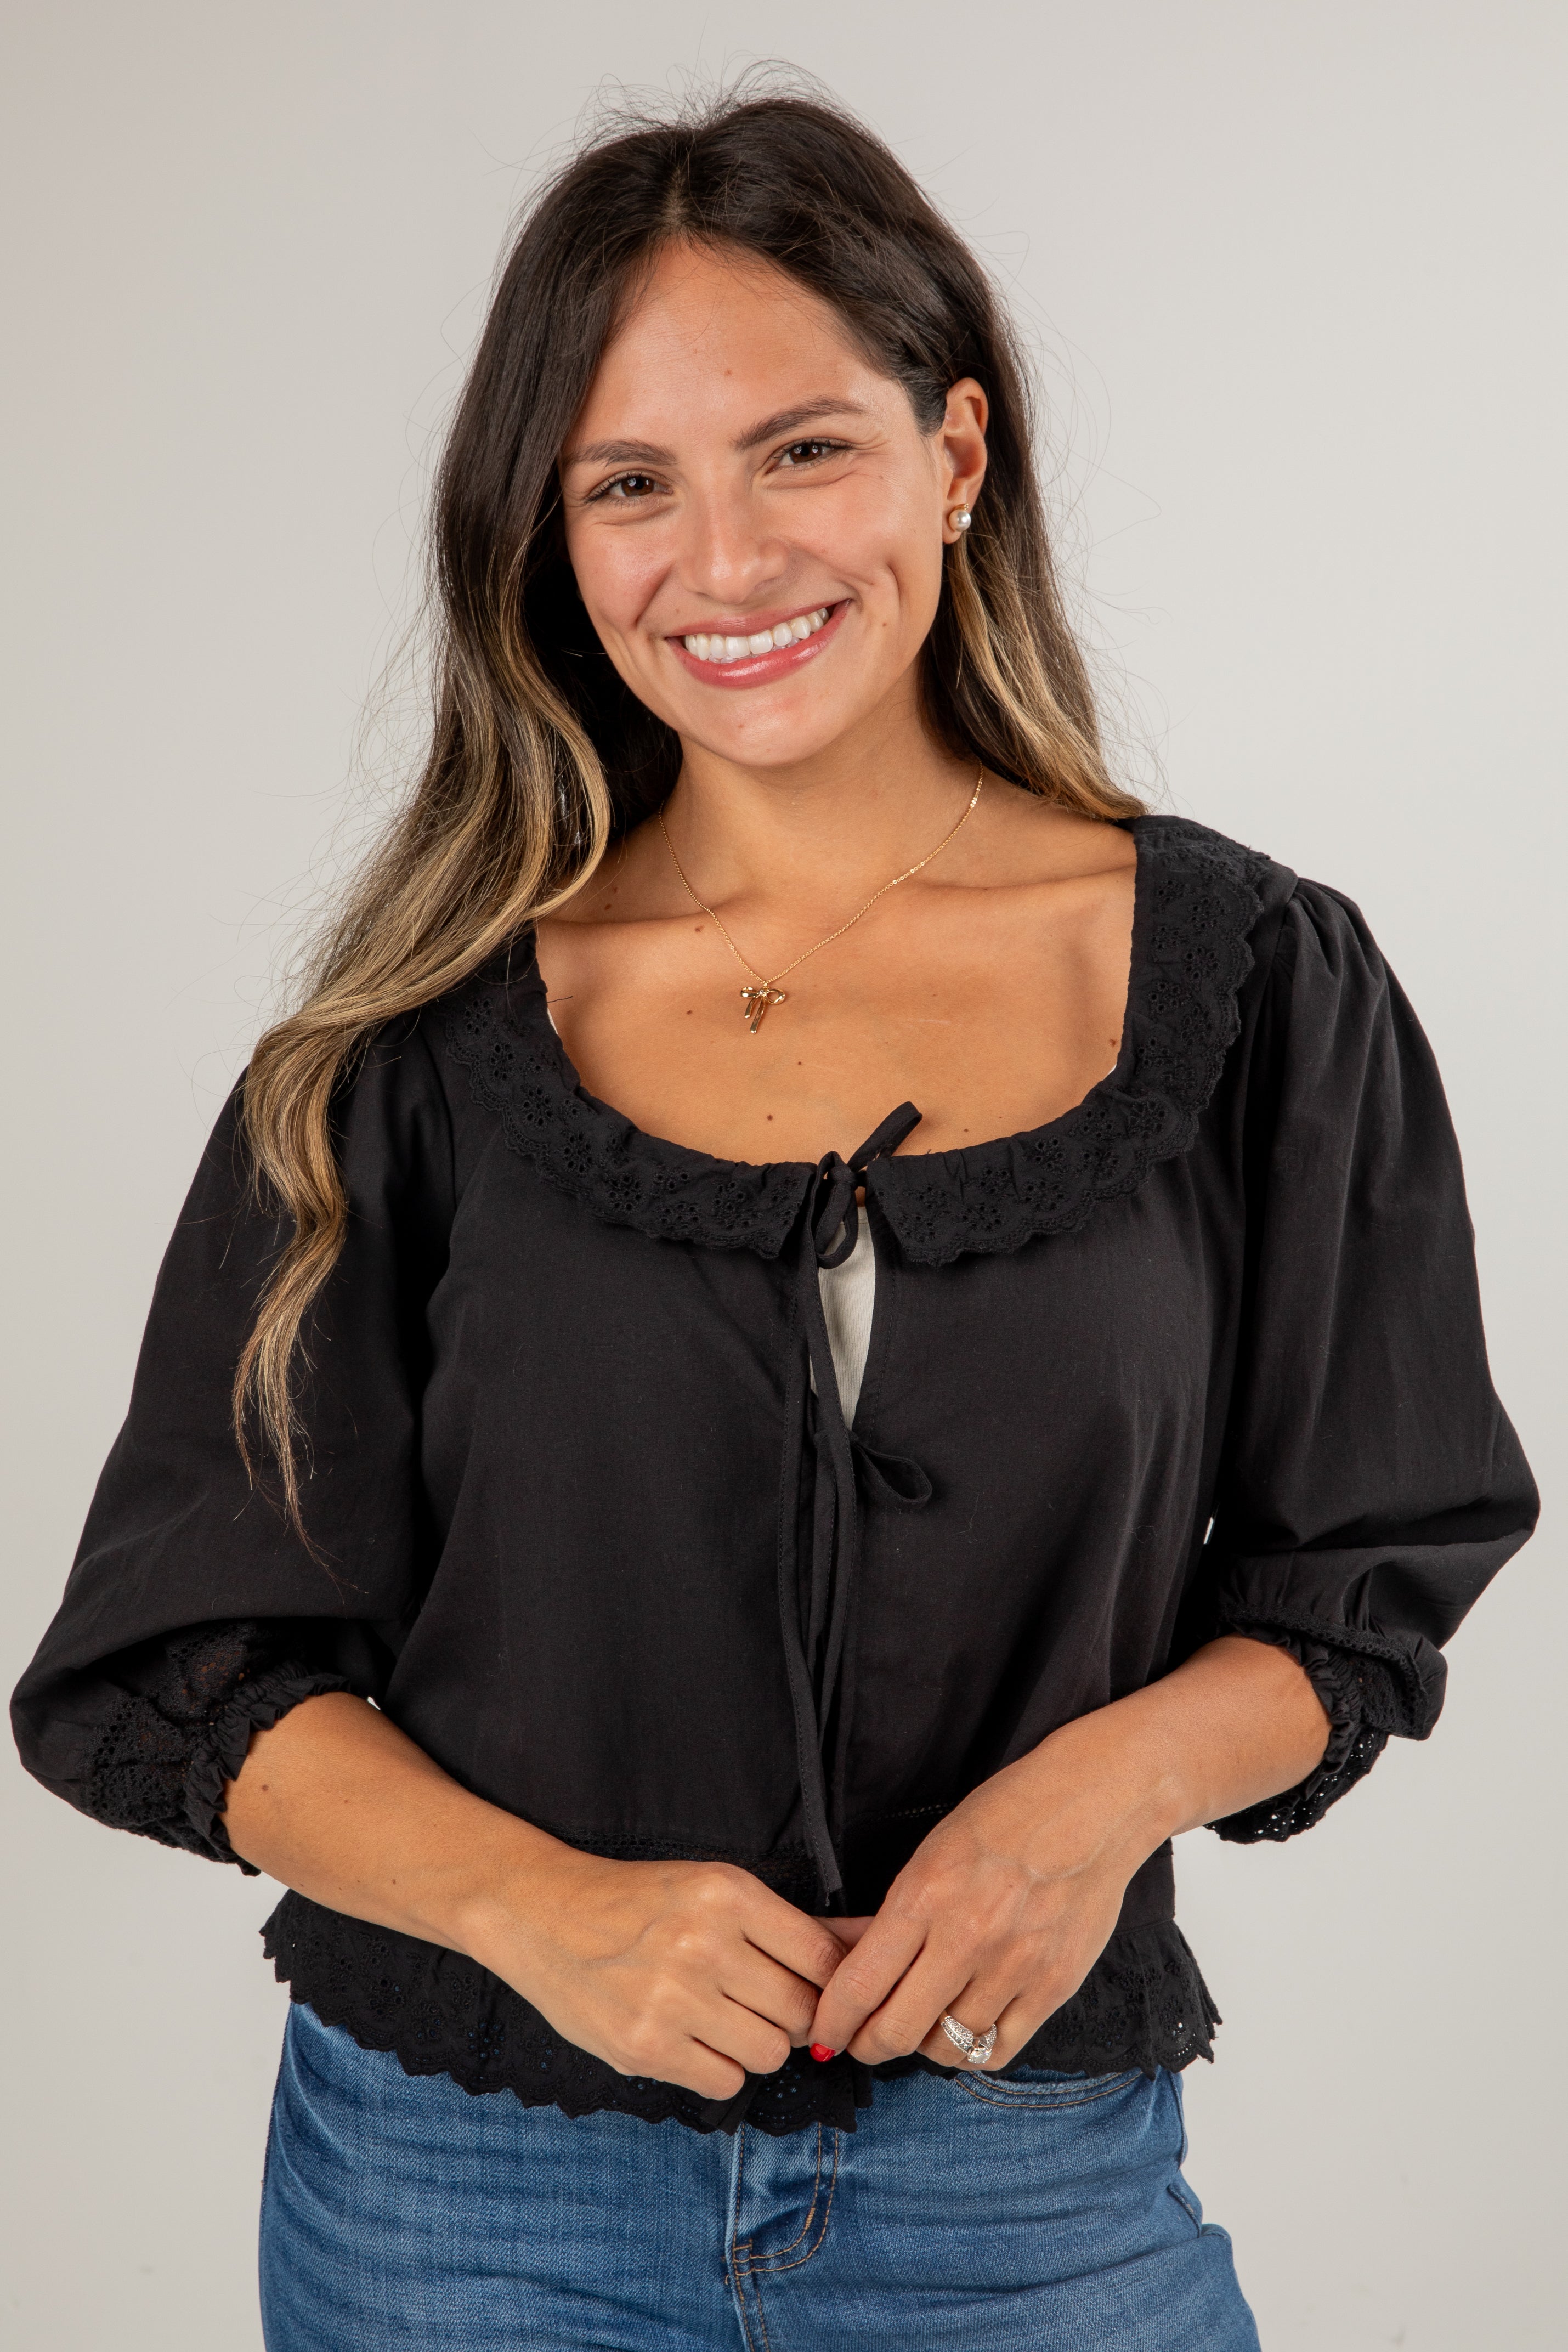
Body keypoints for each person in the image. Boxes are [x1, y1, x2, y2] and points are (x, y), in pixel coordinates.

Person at [12, 84, 1537, 2352]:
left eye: (799, 449)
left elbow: (1364, 1572)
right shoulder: (407, 1048)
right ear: (547, 537)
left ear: (953, 449)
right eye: (628, 482)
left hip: (1023, 2172)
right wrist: (548, 1916)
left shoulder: (1257, 986)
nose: (721, 560)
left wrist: (1096, 1794)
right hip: (462, 2192)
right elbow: (192, 1665)